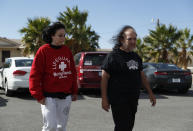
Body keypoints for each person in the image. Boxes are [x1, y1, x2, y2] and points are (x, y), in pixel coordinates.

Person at [101, 25, 156, 131]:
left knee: (129, 126)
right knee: (122, 127)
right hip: (118, 99)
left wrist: (150, 93)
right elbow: (104, 77)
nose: (133, 41)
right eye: (130, 39)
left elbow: (142, 75)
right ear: (121, 39)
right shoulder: (113, 56)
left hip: (133, 99)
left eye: (135, 39)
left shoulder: (136, 57)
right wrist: (104, 99)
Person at [29, 22, 78, 131]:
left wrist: (74, 91)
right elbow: (35, 74)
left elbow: (72, 72)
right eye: (60, 35)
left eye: (64, 35)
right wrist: (38, 95)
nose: (63, 38)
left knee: (61, 127)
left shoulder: (66, 51)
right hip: (49, 97)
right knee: (50, 126)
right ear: (52, 35)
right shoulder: (43, 50)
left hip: (65, 96)